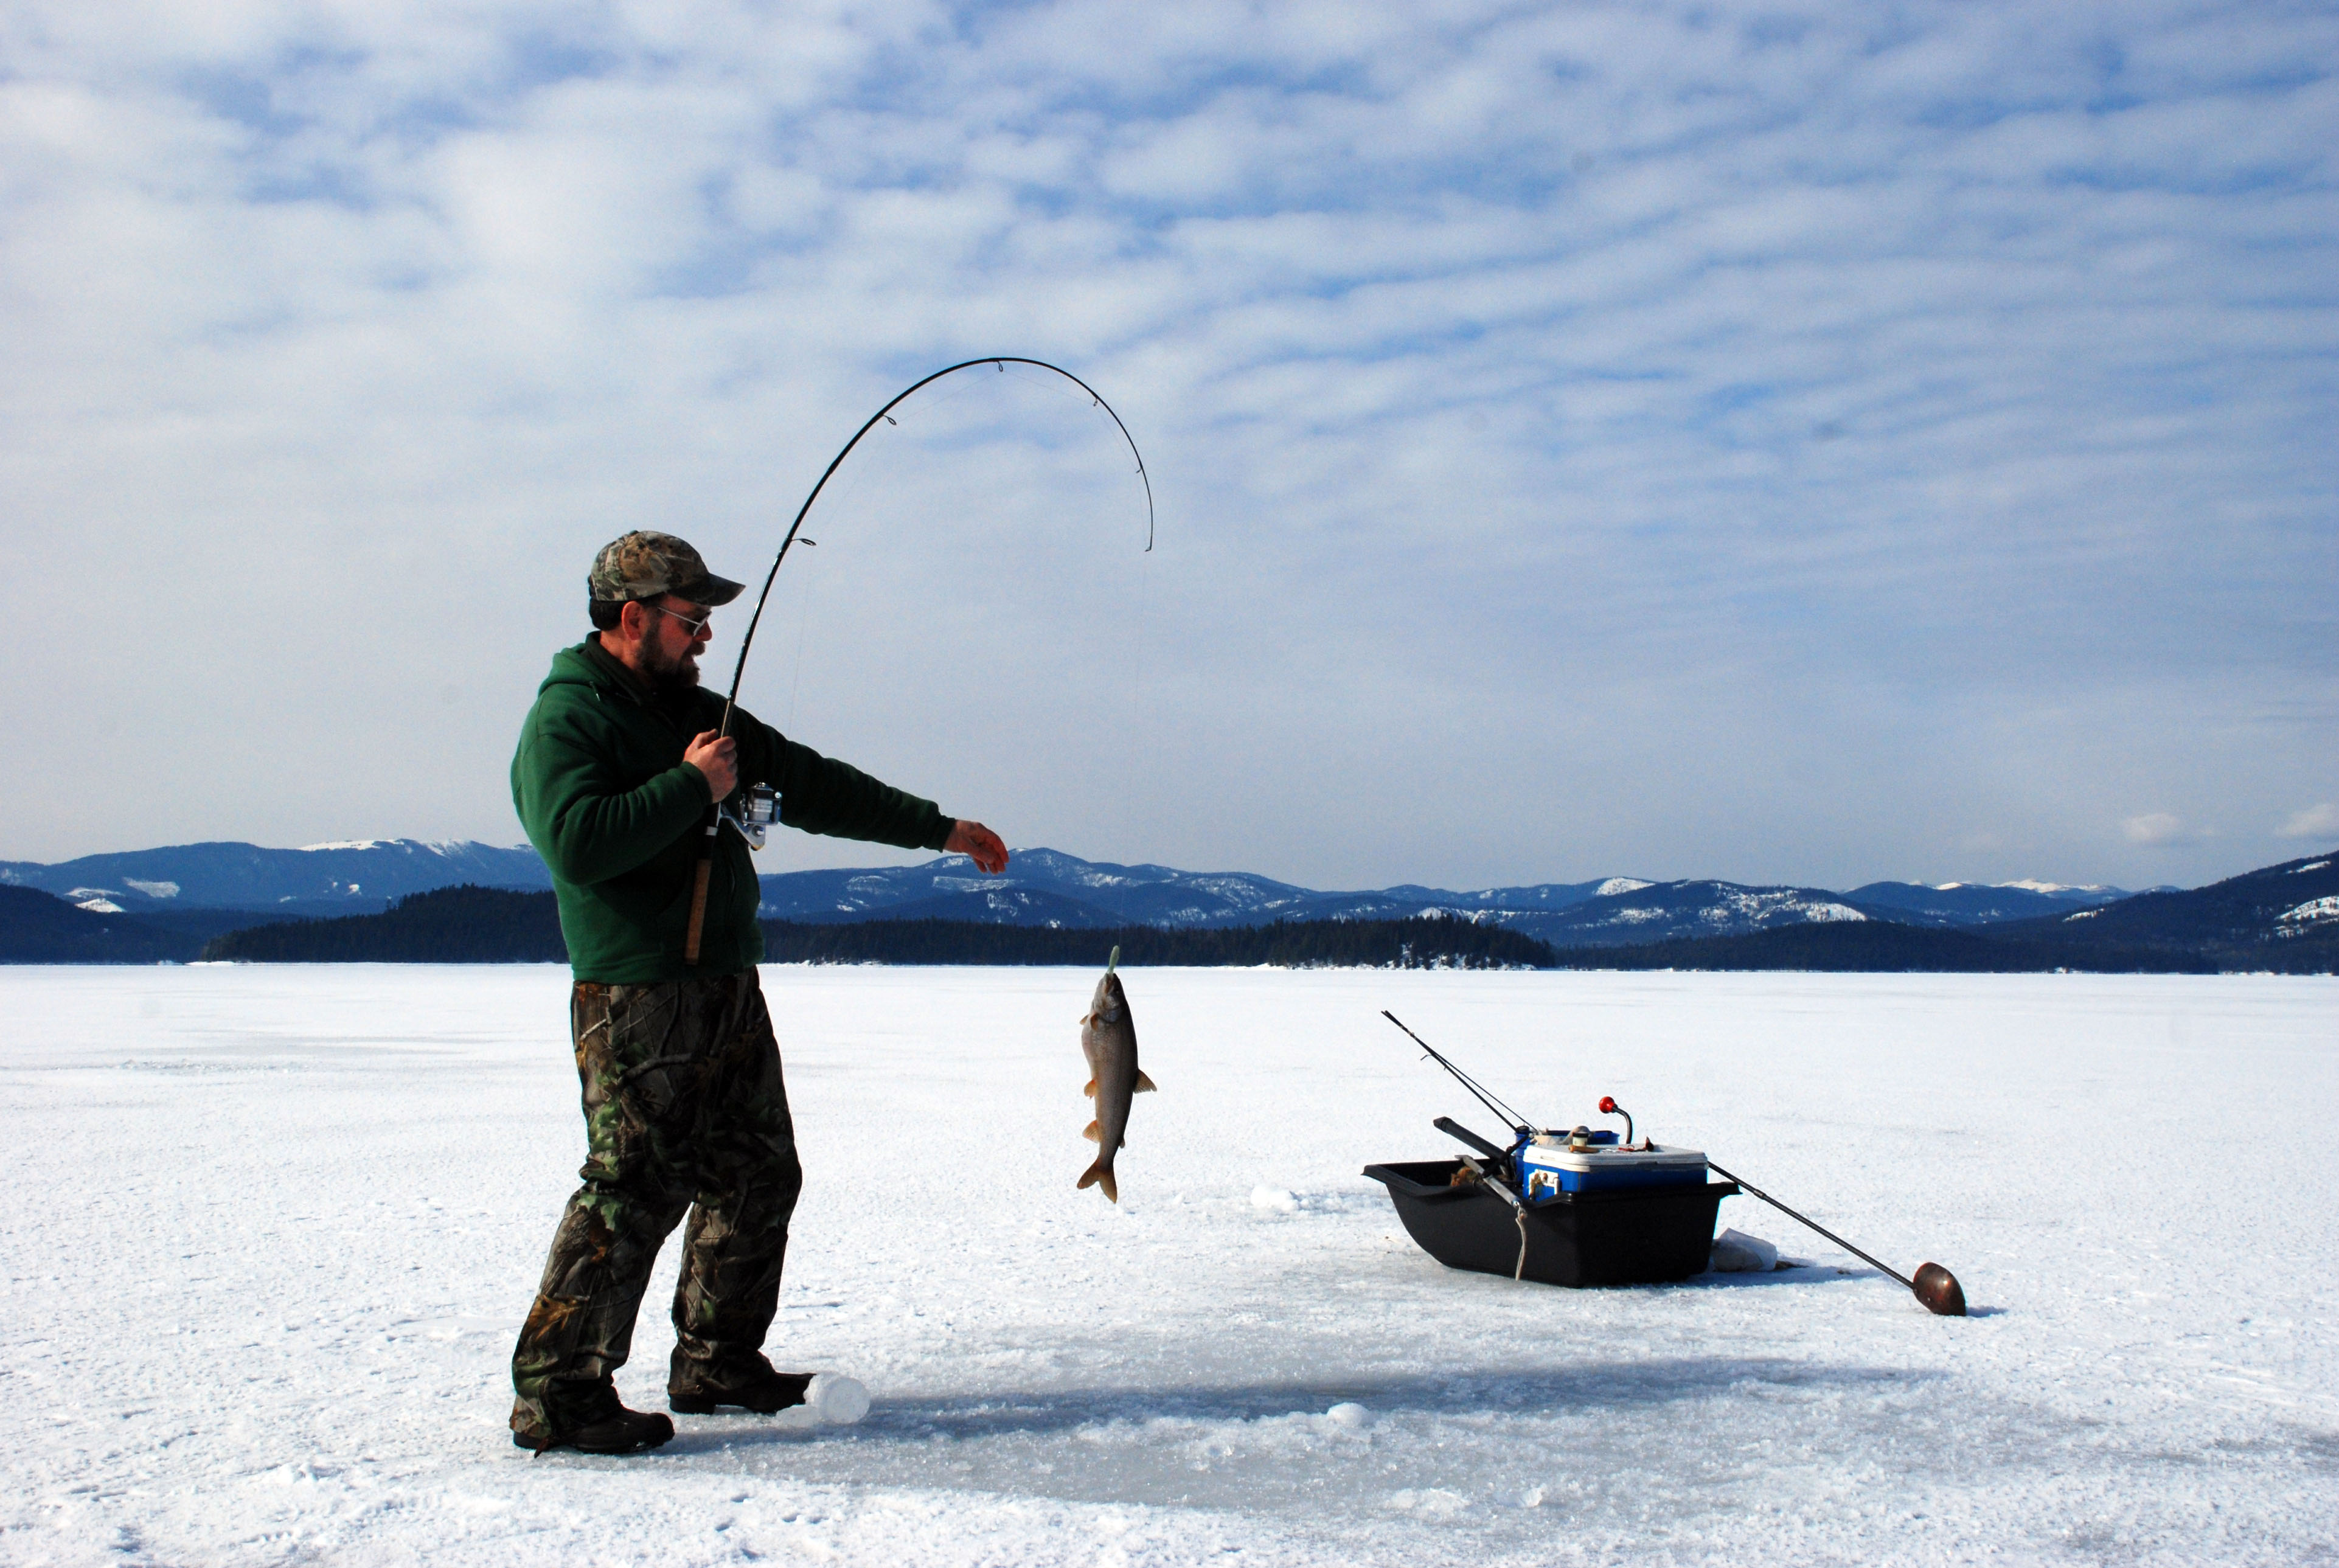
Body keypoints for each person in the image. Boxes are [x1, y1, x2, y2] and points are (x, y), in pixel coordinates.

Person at [505, 530, 1008, 1455]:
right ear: (632, 618)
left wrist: (936, 828)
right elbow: (576, 842)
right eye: (690, 619)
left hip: (726, 985)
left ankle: (717, 1359)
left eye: (705, 621)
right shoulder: (569, 718)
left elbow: (811, 782)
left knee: (756, 1170)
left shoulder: (703, 709)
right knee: (631, 1189)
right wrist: (690, 786)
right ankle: (557, 1390)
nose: (703, 636)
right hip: (639, 994)